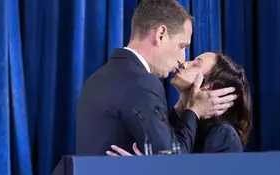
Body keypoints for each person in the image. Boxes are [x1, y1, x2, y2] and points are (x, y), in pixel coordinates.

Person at [76, 0, 237, 156]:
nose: (183, 59)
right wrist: (194, 111)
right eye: (182, 46)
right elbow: (170, 160)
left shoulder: (98, 78)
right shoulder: (142, 84)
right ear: (161, 34)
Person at [108, 51, 251, 156]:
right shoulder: (171, 121)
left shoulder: (222, 135)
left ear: (208, 87)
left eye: (196, 64)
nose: (184, 63)